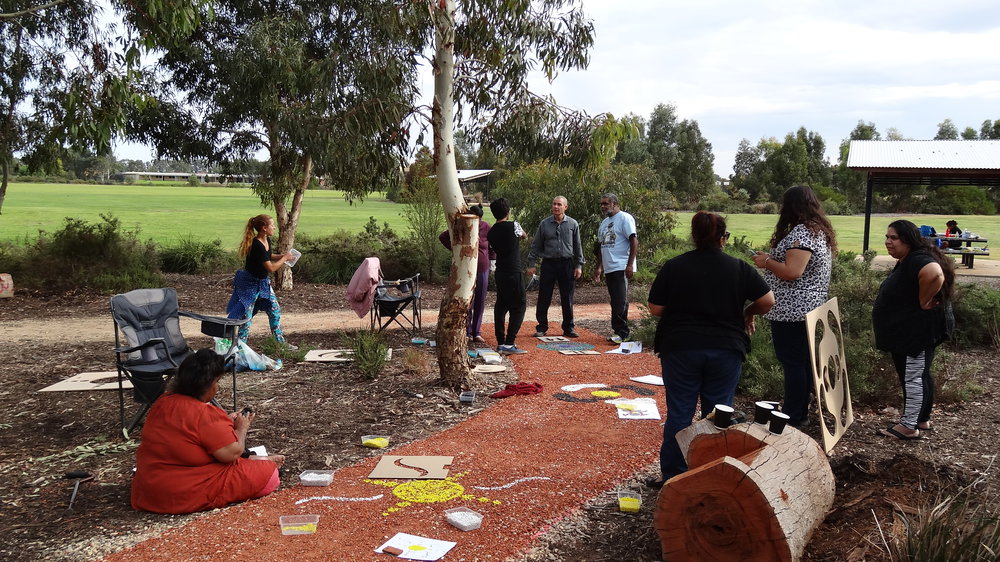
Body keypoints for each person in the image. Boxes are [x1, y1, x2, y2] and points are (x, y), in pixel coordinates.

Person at [647, 212, 774, 486]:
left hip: (680, 347)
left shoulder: (675, 266)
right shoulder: (739, 268)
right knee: (718, 414)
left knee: (679, 414)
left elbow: (656, 308)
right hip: (725, 348)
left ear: (694, 236)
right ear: (723, 238)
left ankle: (674, 477)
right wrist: (747, 313)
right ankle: (711, 476)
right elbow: (768, 301)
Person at [132, 349, 284, 514]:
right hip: (180, 491)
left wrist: (225, 421)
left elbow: (191, 433)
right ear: (209, 384)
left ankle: (262, 459)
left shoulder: (163, 401)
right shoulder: (204, 413)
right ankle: (266, 462)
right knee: (269, 475)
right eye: (217, 382)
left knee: (249, 463)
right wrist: (242, 428)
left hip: (148, 489)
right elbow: (231, 454)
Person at [751, 185, 836, 427]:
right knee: (802, 361)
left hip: (793, 309)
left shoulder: (803, 232)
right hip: (806, 306)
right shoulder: (817, 230)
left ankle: (794, 414)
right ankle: (799, 409)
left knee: (793, 362)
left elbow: (792, 272)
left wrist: (766, 261)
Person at [872, 220, 955, 440]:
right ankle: (921, 419)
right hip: (912, 332)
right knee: (920, 374)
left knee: (913, 378)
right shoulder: (909, 258)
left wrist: (923, 299)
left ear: (908, 239)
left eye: (894, 238)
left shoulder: (918, 259)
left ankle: (909, 426)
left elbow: (935, 274)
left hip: (914, 334)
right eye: (887, 237)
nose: (888, 242)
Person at [226, 214, 296, 348]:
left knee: (274, 311)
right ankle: (239, 348)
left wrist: (283, 256)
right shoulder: (256, 245)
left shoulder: (266, 240)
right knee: (246, 319)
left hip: (262, 283)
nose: (274, 227)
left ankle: (280, 343)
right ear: (264, 228)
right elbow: (271, 267)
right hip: (249, 285)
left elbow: (268, 256)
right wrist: (285, 259)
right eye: (272, 225)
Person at [526, 196, 584, 338]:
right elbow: (536, 245)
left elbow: (577, 246)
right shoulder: (544, 224)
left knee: (567, 297)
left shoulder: (572, 224)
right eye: (554, 204)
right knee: (544, 296)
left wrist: (579, 265)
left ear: (566, 207)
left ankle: (568, 328)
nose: (556, 207)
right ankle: (542, 327)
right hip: (549, 264)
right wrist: (531, 264)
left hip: (567, 264)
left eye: (559, 204)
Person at [439, 205, 492, 343]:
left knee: (480, 300)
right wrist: (456, 249)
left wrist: (493, 260)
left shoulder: (486, 227)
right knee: (468, 300)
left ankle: (476, 332)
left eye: (478, 219)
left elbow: (492, 245)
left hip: (482, 267)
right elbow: (443, 237)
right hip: (466, 268)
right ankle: (467, 331)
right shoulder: (462, 225)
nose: (477, 222)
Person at [593, 193, 638, 343]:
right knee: (615, 300)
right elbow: (601, 246)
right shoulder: (604, 222)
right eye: (602, 204)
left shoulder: (625, 218)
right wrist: (599, 267)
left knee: (620, 300)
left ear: (614, 203)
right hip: (609, 266)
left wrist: (630, 264)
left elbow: (633, 240)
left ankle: (623, 333)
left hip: (621, 264)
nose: (603, 206)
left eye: (605, 203)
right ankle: (618, 331)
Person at [487, 198, 529, 354]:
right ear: (508, 211)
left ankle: (500, 341)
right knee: (519, 305)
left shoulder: (491, 232)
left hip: (500, 271)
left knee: (501, 305)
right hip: (514, 270)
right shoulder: (514, 225)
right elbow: (524, 236)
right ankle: (510, 342)